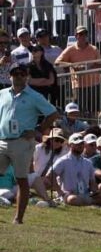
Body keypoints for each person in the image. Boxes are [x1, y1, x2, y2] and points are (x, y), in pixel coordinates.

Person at [1, 61, 59, 224]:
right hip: (3, 140)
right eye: (15, 73)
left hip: (22, 142)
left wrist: (38, 130)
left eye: (22, 74)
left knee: (21, 179)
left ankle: (18, 218)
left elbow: (53, 114)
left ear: (27, 76)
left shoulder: (34, 96)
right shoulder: (3, 93)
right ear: (9, 76)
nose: (19, 76)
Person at [55, 26, 101, 118]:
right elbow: (57, 62)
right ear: (76, 36)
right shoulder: (70, 49)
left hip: (95, 83)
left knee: (96, 109)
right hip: (78, 85)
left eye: (85, 34)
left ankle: (94, 128)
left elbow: (100, 64)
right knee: (80, 110)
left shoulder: (94, 48)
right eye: (80, 34)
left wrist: (89, 67)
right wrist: (72, 65)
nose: (83, 36)